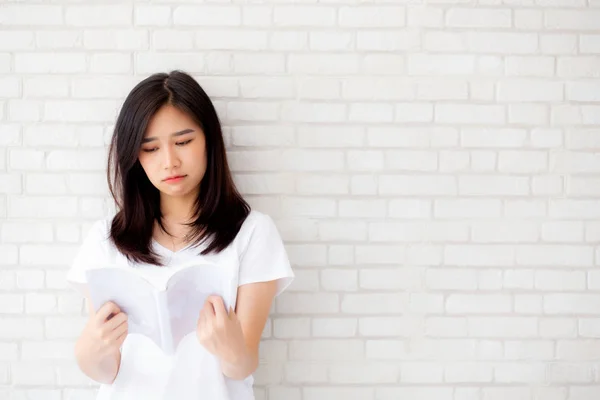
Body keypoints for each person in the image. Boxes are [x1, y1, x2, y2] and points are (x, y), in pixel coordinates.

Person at [66, 70, 295, 400]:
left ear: (209, 141)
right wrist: (88, 352)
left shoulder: (252, 233)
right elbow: (108, 370)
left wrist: (230, 347)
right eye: (150, 149)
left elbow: (243, 365)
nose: (170, 162)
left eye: (184, 142)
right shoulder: (106, 239)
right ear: (134, 157)